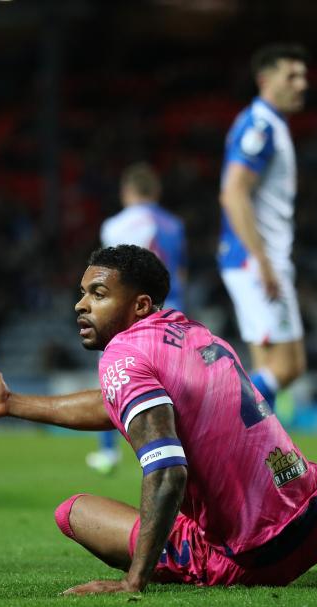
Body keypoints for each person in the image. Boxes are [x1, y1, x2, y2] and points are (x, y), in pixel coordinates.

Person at [0, 245, 317, 593]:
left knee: (74, 512)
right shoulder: (194, 332)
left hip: (260, 555)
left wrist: (134, 579)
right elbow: (115, 401)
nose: (81, 304)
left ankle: (186, 559)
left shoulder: (122, 354)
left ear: (140, 305)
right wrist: (12, 403)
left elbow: (167, 471)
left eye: (98, 293)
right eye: (82, 293)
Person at [219, 44, 310, 410]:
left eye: (304, 76)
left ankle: (259, 462)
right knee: (288, 367)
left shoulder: (268, 123)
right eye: (292, 75)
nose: (302, 84)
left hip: (250, 259)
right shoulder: (261, 126)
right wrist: (263, 260)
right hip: (257, 260)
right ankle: (218, 416)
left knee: (266, 367)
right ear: (265, 79)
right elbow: (233, 193)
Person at [87, 162, 186, 475]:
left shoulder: (113, 226)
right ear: (155, 192)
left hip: (129, 312)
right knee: (175, 382)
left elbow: (109, 274)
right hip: (170, 310)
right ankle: (183, 446)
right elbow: (181, 272)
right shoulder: (174, 225)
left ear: (126, 191)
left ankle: (108, 452)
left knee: (116, 378)